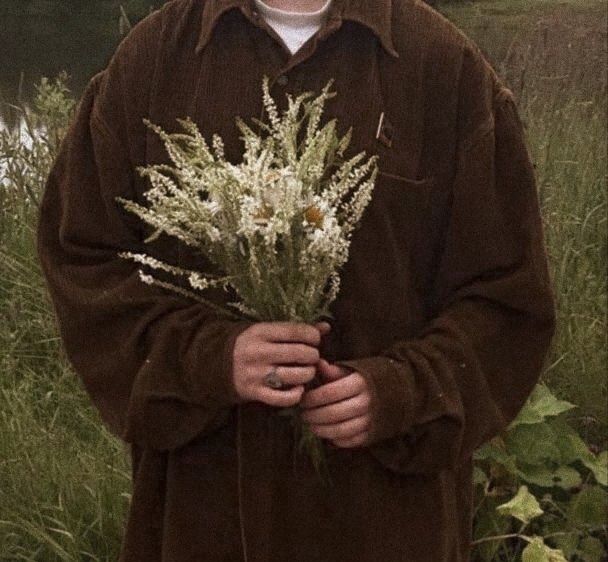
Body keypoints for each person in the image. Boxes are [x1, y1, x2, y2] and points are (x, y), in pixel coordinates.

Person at [36, 0, 557, 560]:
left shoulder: (444, 66)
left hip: (388, 519)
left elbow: (507, 297)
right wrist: (207, 357)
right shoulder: (152, 62)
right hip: (202, 515)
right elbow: (85, 261)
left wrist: (402, 392)